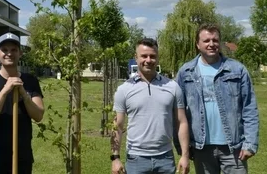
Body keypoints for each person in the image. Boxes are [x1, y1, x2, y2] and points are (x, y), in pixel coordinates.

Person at [175, 23, 259, 174]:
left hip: (233, 147)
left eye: (215, 40)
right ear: (198, 44)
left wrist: (250, 143)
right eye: (206, 40)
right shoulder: (185, 72)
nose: (211, 44)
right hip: (201, 148)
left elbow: (249, 108)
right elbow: (179, 113)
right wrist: (183, 148)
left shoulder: (237, 70)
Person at [111, 38, 190, 174]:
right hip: (136, 159)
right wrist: (115, 158)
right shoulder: (124, 89)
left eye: (152, 56)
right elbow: (117, 126)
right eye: (144, 56)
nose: (148, 60)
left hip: (165, 158)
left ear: (158, 58)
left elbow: (181, 122)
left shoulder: (172, 87)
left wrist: (185, 155)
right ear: (136, 58)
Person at [0, 32, 45, 174]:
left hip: (22, 154)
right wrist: (5, 90)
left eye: (14, 50)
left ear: (20, 53)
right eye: (5, 50)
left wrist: (24, 94)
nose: (9, 53)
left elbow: (38, 115)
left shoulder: (30, 81)